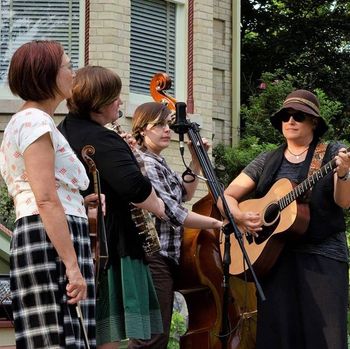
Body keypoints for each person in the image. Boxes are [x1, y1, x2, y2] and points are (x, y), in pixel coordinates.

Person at [220, 89, 350, 349]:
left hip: (322, 256)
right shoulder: (267, 159)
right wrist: (240, 216)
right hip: (274, 259)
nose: (290, 121)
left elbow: (343, 202)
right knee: (278, 337)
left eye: (299, 116)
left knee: (325, 338)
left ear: (314, 122)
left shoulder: (331, 153)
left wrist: (344, 174)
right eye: (285, 116)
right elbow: (227, 196)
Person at [57, 66, 166, 349]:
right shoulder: (102, 138)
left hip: (76, 239)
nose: (120, 102)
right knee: (110, 333)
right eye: (115, 97)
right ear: (100, 103)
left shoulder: (62, 131)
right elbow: (135, 188)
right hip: (110, 246)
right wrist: (161, 207)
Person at [0, 40, 96, 348]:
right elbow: (44, 198)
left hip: (49, 234)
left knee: (61, 334)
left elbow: (46, 191)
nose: (73, 75)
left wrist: (81, 202)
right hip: (50, 239)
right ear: (47, 75)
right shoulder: (35, 121)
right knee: (59, 337)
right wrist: (72, 267)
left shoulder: (32, 121)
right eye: (68, 67)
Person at [129, 102, 224, 348]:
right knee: (151, 337)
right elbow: (175, 213)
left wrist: (195, 161)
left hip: (164, 258)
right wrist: (218, 223)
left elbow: (184, 194)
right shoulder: (146, 164)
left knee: (153, 336)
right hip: (153, 257)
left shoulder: (158, 161)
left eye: (167, 125)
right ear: (141, 130)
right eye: (158, 125)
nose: (166, 130)